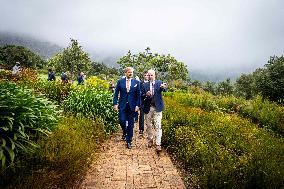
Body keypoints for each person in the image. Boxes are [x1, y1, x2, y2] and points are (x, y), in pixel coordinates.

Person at [113, 67, 140, 149]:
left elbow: (138, 95)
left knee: (131, 125)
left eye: (131, 72)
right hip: (122, 105)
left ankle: (129, 141)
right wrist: (115, 104)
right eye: (128, 72)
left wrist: (137, 105)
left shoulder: (136, 82)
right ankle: (124, 131)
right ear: (125, 73)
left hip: (132, 107)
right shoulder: (120, 82)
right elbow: (116, 93)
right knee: (122, 120)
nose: (130, 73)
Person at [142, 69, 168, 152]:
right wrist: (146, 94)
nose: (150, 76)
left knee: (158, 125)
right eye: (148, 75)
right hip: (148, 107)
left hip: (157, 107)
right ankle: (150, 140)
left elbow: (164, 89)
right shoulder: (145, 85)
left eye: (151, 75)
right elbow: (141, 95)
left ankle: (158, 144)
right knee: (149, 125)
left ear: (154, 75)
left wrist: (164, 87)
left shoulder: (159, 82)